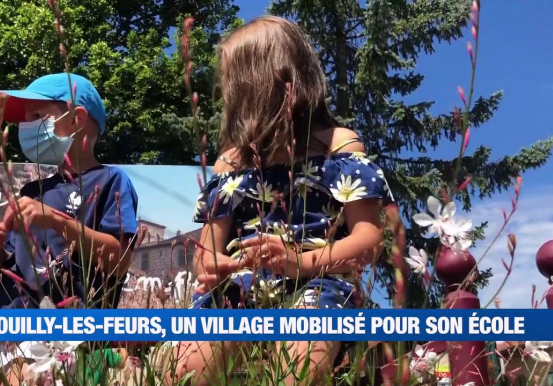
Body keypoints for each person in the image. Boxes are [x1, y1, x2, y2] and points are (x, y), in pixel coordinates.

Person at [168, 16, 395, 386]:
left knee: (298, 366)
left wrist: (297, 262)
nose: (227, 97)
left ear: (267, 84)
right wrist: (220, 267)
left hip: (320, 281)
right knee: (186, 371)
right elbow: (205, 256)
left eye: (234, 85)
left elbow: (368, 243)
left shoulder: (336, 145)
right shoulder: (231, 162)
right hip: (241, 286)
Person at [0, 73, 139, 386]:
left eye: (38, 116)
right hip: (0, 317)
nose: (27, 127)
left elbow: (119, 261)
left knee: (26, 377)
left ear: (76, 119)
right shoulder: (30, 191)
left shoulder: (112, 181)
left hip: (58, 326)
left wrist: (57, 221)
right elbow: (7, 264)